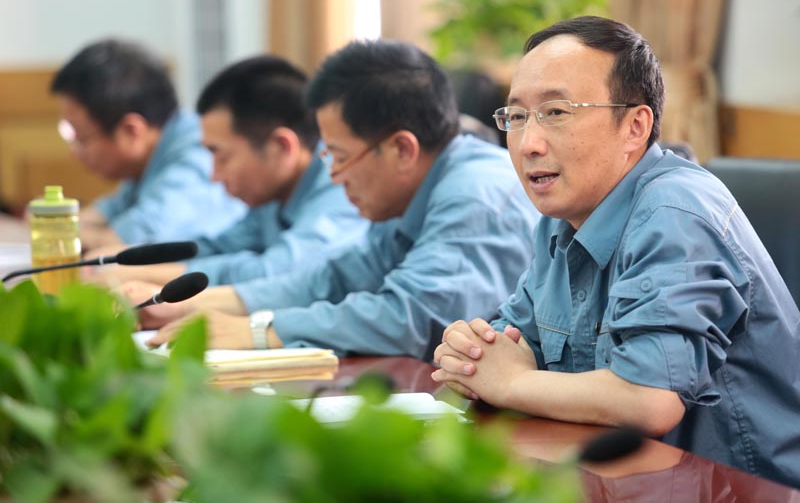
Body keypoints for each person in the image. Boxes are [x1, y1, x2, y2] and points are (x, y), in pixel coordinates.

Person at [432, 16, 800, 488]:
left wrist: (510, 383)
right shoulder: (562, 219)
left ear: (634, 126)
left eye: (556, 112)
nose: (528, 144)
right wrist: (469, 352)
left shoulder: (674, 212)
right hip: (624, 482)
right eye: (517, 117)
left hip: (741, 491)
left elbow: (649, 398)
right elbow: (511, 341)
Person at [131, 40, 540, 361]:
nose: (332, 175)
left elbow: (409, 318)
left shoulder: (476, 194)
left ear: (401, 149)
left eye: (340, 157)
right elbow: (334, 280)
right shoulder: (408, 193)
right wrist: (194, 306)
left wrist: (258, 329)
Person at [94, 55, 367, 287]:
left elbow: (279, 270)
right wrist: (130, 260)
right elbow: (218, 247)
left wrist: (146, 276)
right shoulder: (272, 195)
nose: (214, 175)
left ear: (281, 147)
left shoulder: (342, 185)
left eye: (221, 156)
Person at [51, 38, 245, 250]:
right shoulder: (151, 157)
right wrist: (58, 225)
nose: (74, 153)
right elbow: (108, 210)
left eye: (81, 139)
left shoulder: (199, 154)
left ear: (131, 131)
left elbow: (133, 243)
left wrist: (51, 234)